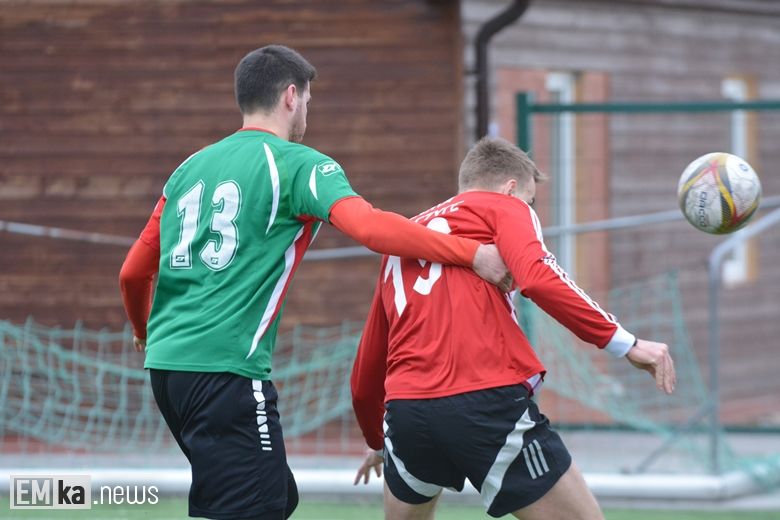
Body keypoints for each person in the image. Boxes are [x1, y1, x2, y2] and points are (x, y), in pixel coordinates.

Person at [118, 45, 510, 520]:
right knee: (256, 507)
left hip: (167, 372)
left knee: (276, 496)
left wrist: (143, 330)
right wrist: (472, 253)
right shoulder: (298, 164)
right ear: (290, 96)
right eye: (307, 99)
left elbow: (134, 272)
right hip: (226, 374)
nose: (307, 110)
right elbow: (370, 228)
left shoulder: (187, 170)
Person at [351, 137, 676, 520]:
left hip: (407, 413)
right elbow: (538, 278)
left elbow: (368, 363)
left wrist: (377, 439)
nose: (529, 208)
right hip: (483, 400)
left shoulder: (403, 238)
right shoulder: (503, 206)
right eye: (530, 199)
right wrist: (627, 344)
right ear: (510, 188)